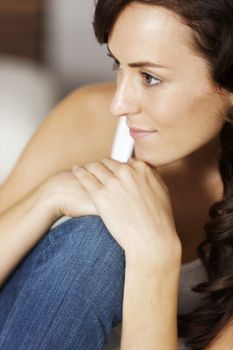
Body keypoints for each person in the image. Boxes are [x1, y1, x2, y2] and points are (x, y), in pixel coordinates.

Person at [0, 0, 233, 349]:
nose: (119, 104)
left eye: (150, 77)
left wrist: (154, 255)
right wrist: (48, 197)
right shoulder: (91, 118)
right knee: (96, 240)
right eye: (117, 65)